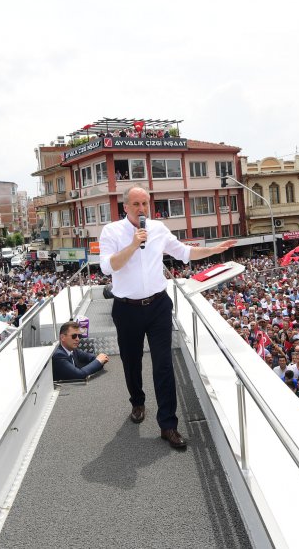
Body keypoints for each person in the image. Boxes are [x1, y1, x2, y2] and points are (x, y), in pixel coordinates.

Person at [98, 185, 235, 450]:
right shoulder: (111, 232)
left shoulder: (158, 229)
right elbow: (108, 266)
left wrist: (215, 250)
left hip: (158, 305)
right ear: (125, 207)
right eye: (136, 204)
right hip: (126, 308)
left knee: (163, 365)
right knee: (131, 361)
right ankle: (137, 402)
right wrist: (133, 244)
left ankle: (168, 425)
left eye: (145, 204)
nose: (141, 209)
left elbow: (184, 252)